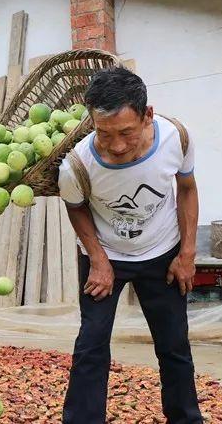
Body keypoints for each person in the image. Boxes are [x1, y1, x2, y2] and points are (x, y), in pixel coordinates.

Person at [57, 67, 201, 423]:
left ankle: (186, 418)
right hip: (106, 255)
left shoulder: (176, 138)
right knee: (91, 344)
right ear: (91, 121)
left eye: (126, 132)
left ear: (147, 114)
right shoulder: (77, 164)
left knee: (174, 345)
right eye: (104, 134)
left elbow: (186, 189)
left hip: (163, 251)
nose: (117, 145)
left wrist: (187, 253)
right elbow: (75, 209)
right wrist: (98, 259)